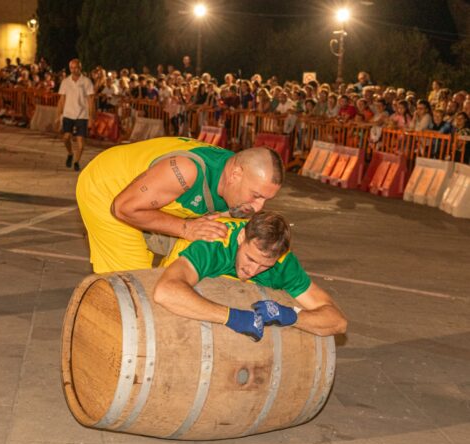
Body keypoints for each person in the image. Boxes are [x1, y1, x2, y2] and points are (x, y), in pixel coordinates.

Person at [76, 138, 284, 273]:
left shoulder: (235, 175)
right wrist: (186, 228)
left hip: (150, 197)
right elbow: (122, 208)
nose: (258, 207)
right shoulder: (186, 171)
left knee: (208, 240)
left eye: (266, 199)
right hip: (109, 191)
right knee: (135, 283)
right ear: (235, 175)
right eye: (256, 196)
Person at [154, 211, 347, 341]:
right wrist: (232, 317)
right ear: (241, 238)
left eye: (264, 266)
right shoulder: (214, 243)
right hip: (165, 276)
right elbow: (165, 292)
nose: (252, 271)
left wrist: (291, 316)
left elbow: (337, 322)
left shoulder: (283, 263)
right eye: (250, 258)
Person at [55, 59, 95, 172]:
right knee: (66, 137)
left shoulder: (86, 82)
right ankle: (70, 153)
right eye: (72, 68)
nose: (74, 70)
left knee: (80, 142)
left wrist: (91, 116)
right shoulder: (65, 82)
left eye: (76, 67)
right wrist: (58, 115)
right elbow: (62, 99)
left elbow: (91, 100)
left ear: (80, 67)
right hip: (68, 114)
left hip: (82, 115)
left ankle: (77, 161)